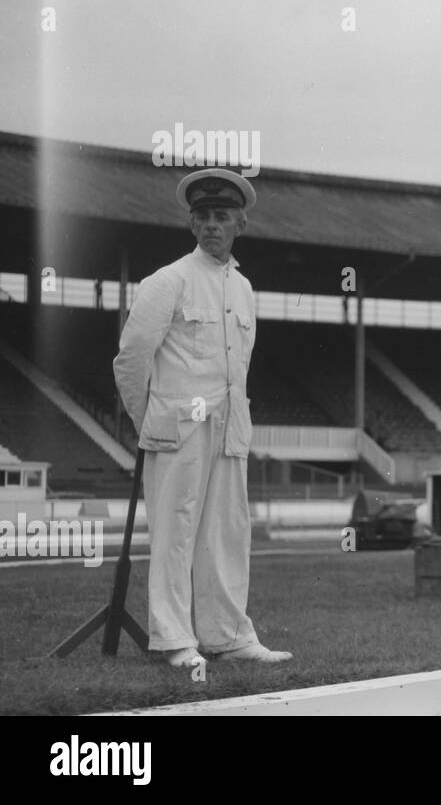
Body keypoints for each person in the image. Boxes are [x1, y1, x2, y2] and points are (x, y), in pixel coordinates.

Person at [113, 168, 290, 668]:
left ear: (241, 224)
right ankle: (174, 640)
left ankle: (230, 636)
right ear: (192, 225)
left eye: (222, 216)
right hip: (178, 429)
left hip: (230, 428)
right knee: (175, 535)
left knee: (228, 535)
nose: (212, 224)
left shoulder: (245, 289)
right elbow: (131, 359)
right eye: (203, 217)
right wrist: (151, 422)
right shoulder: (167, 281)